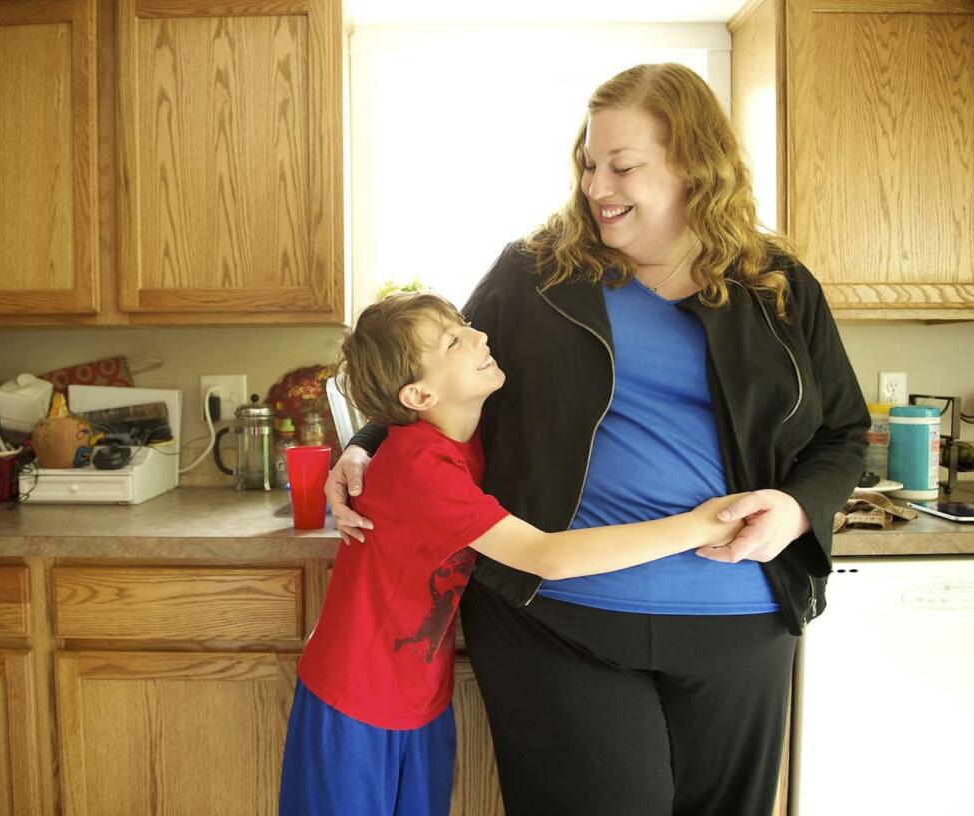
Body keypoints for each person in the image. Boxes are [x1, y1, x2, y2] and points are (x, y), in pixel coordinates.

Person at [326, 63, 870, 815]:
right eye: (588, 163)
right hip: (557, 624)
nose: (596, 186)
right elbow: (437, 380)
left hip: (738, 623)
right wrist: (363, 445)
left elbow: (844, 434)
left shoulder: (777, 286)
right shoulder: (536, 273)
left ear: (693, 167)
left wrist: (799, 508)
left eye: (624, 166)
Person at [280, 291, 744, 816]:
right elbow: (546, 556)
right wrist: (700, 523)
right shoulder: (419, 467)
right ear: (418, 396)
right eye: (454, 340)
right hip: (354, 698)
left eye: (465, 325)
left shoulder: (462, 437)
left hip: (417, 699)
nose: (481, 336)